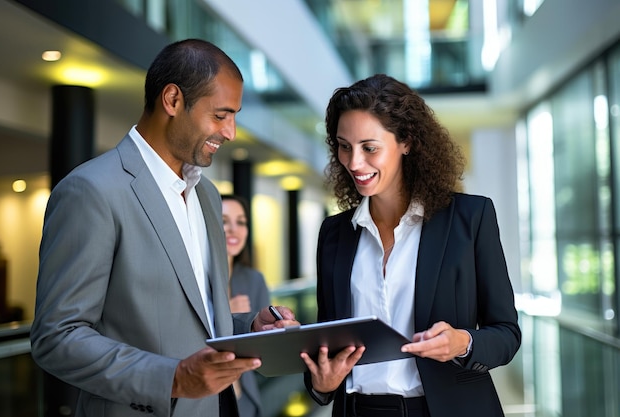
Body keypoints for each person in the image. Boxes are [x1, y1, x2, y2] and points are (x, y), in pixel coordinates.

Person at [30, 38, 296, 417]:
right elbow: (56, 338)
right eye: (220, 115)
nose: (231, 132)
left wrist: (250, 325)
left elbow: (195, 320)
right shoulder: (91, 191)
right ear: (172, 100)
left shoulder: (208, 196)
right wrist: (172, 378)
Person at [301, 74, 521, 417]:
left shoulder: (470, 218)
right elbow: (328, 346)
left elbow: (507, 334)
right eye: (345, 146)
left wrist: (463, 342)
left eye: (369, 148)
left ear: (406, 141)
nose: (354, 163)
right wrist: (322, 384)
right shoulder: (334, 233)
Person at [221, 194, 271, 417]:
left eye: (241, 222)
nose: (234, 229)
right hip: (204, 398)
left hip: (244, 399)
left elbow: (266, 350)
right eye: (224, 221)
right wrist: (225, 316)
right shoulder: (193, 278)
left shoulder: (253, 280)